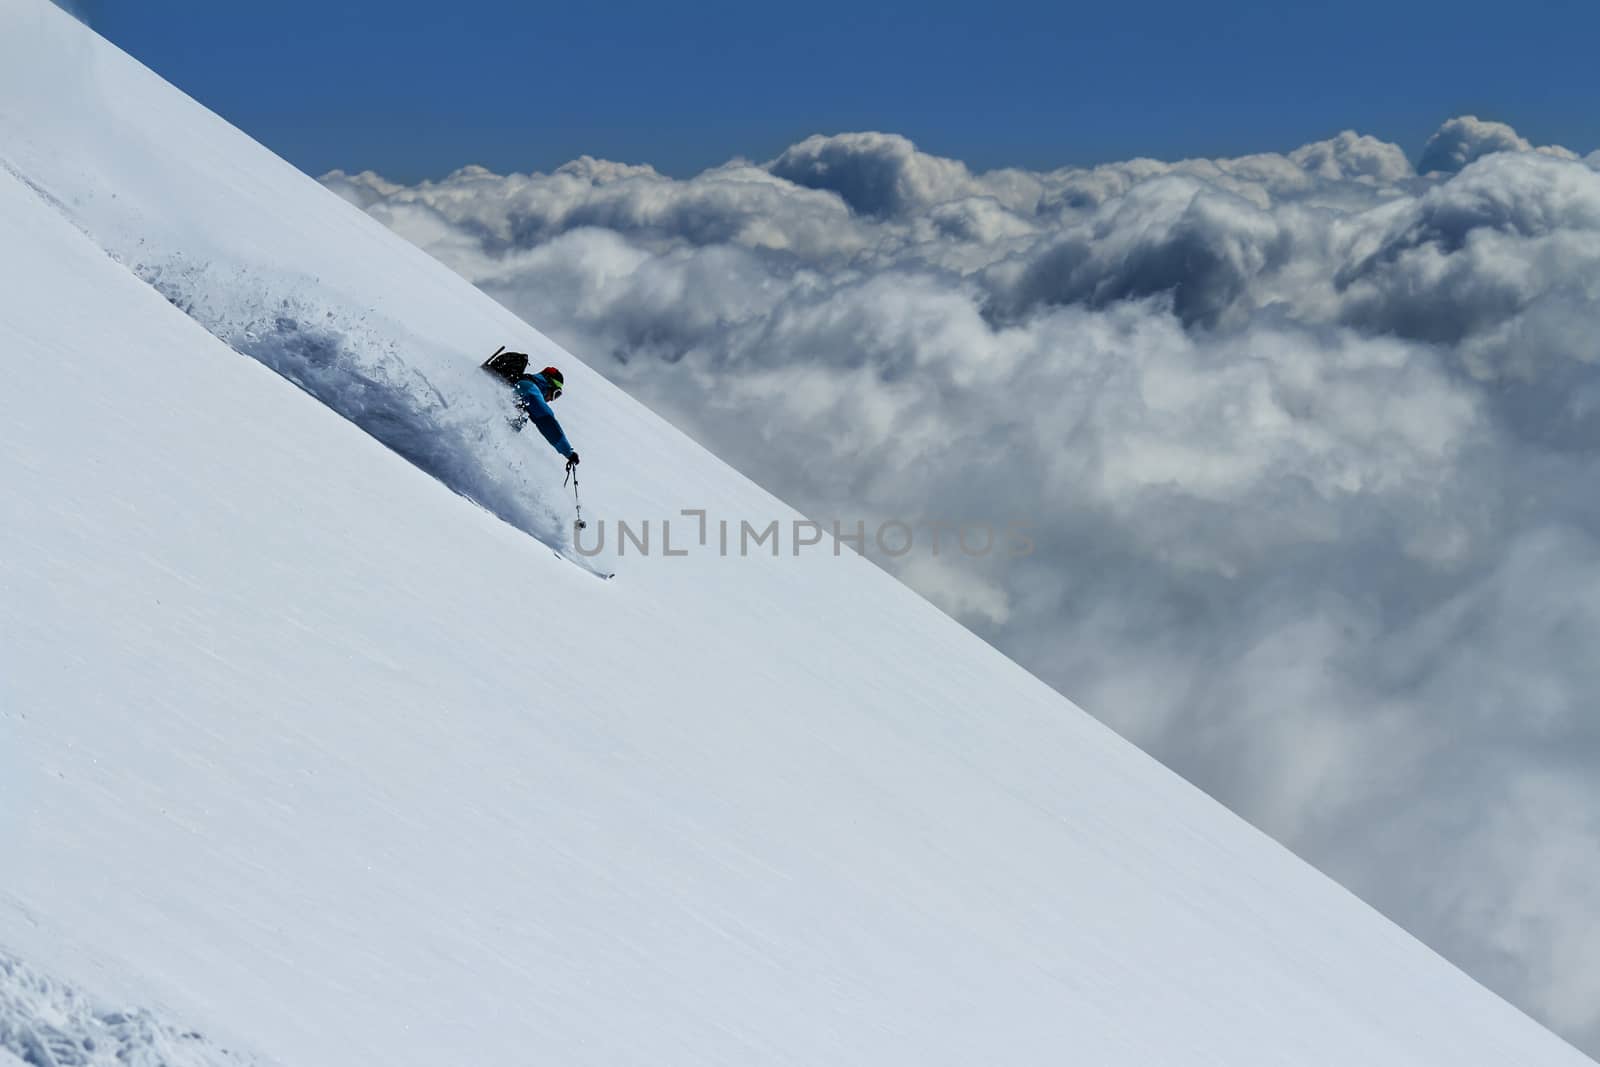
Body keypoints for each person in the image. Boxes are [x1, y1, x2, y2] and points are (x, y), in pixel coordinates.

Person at [512, 366, 579, 471]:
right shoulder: (529, 388)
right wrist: (568, 453)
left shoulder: (523, 385)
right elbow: (547, 422)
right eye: (555, 394)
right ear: (548, 384)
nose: (551, 400)